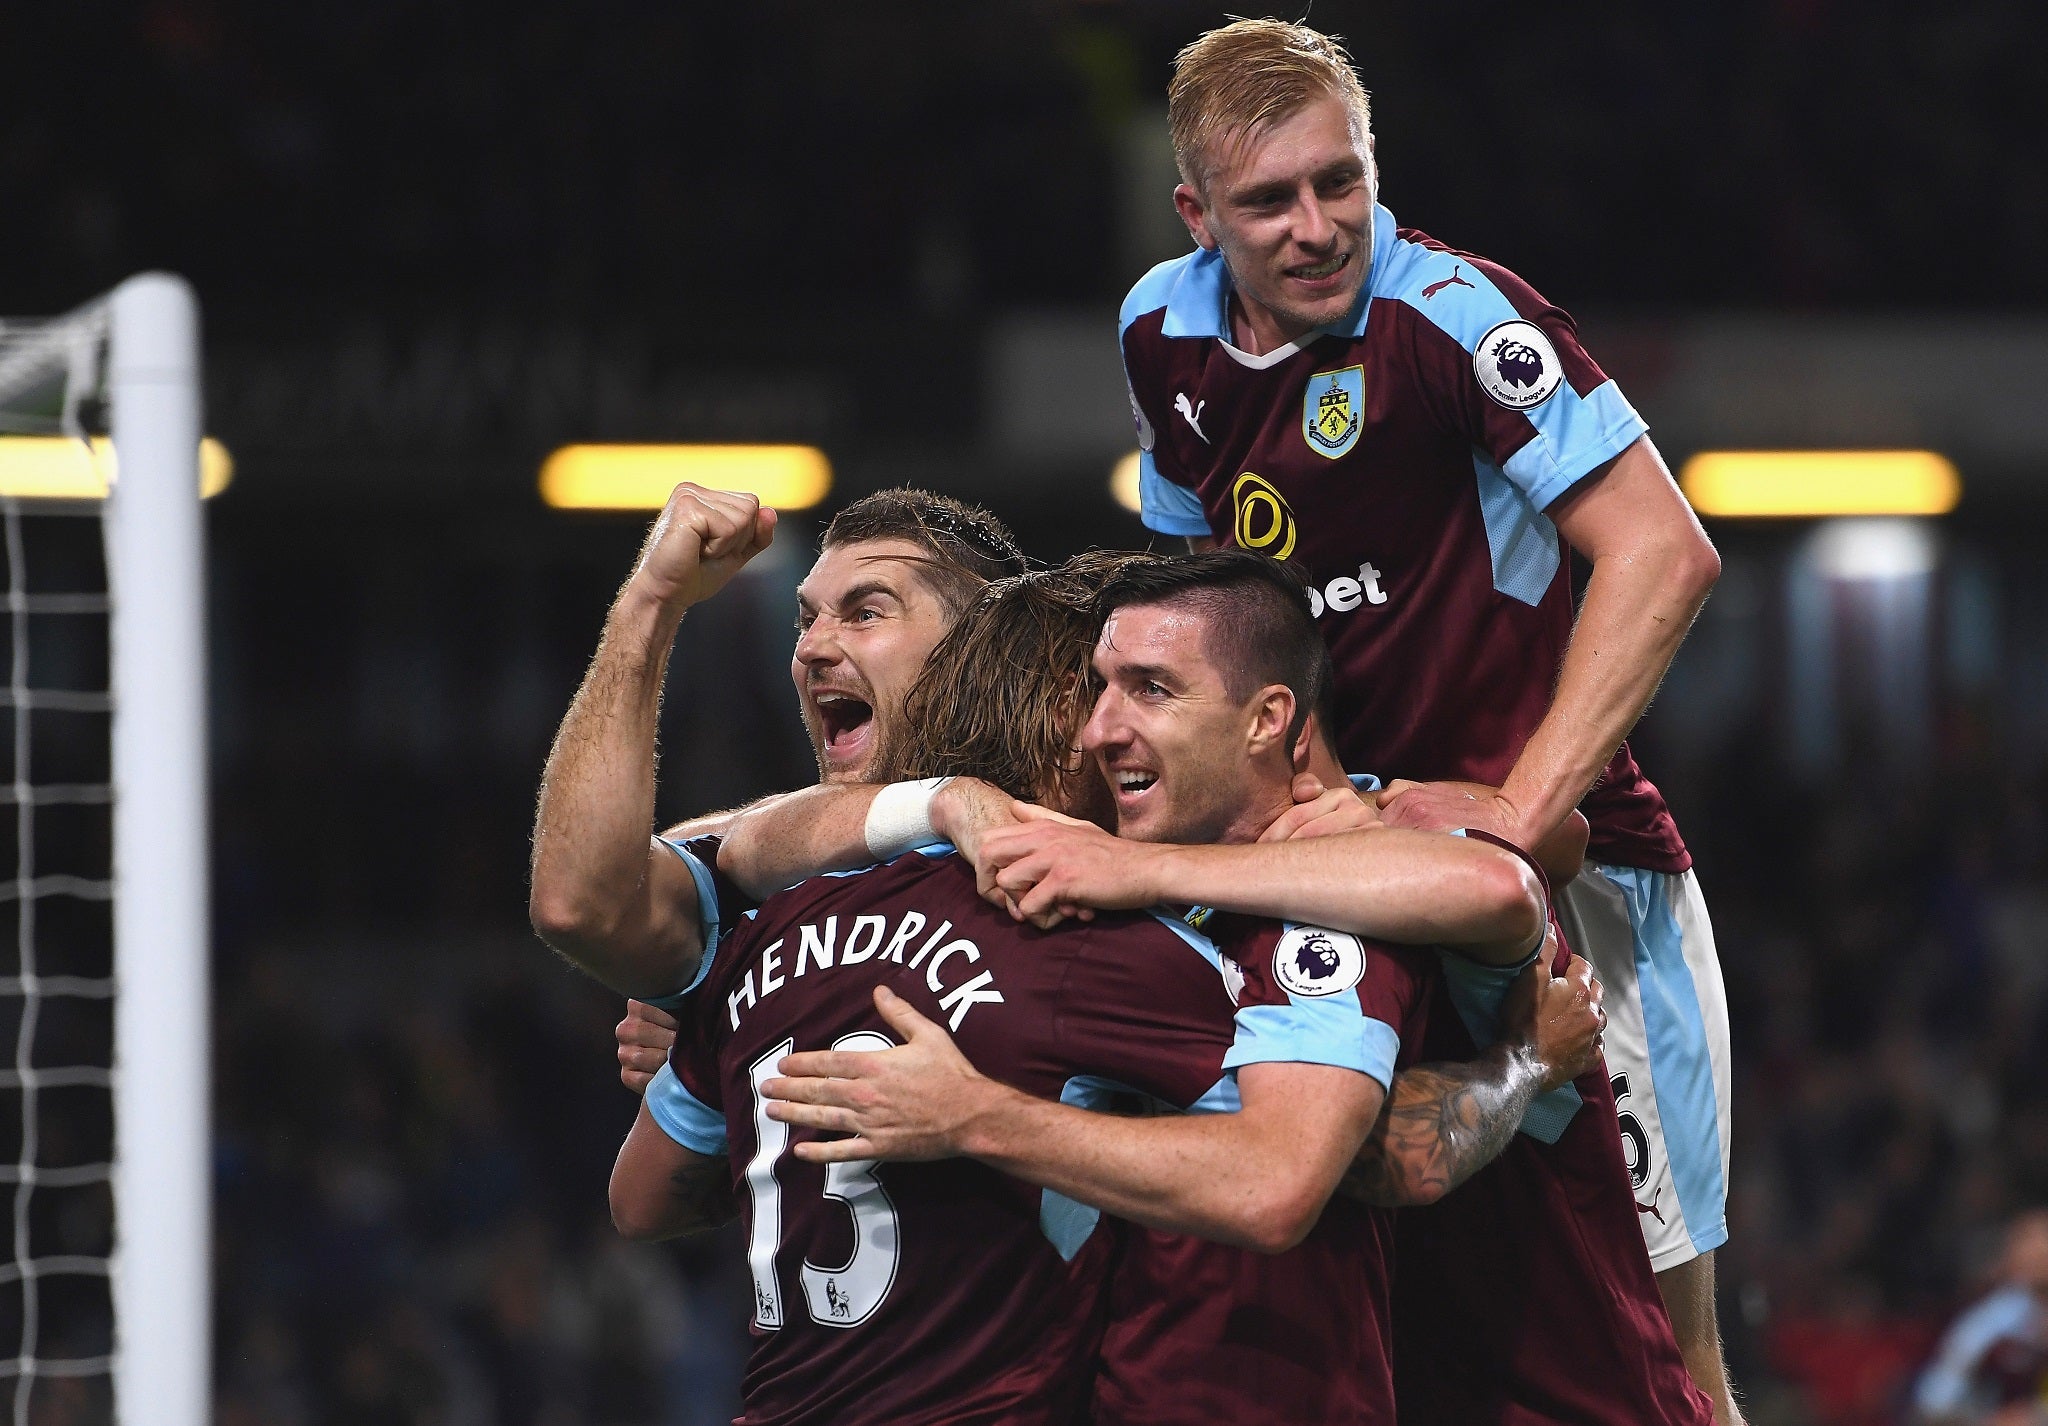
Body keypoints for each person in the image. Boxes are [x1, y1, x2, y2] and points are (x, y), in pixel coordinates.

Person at [1115, 18, 1738, 1419]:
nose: (1323, 226)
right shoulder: (1159, 331)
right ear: (1196, 214)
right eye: (1272, 200)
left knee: (1667, 1360)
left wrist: (1511, 827)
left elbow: (1663, 550)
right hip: (1335, 878)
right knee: (1418, 1346)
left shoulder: (1457, 316)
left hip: (1575, 898)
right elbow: (1189, 614)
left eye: (1344, 181)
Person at [609, 554, 1604, 1424]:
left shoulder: (1332, 882)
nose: (1103, 730)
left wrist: (751, 1047)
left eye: (1147, 691)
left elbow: (1496, 895)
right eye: (1095, 692)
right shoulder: (1078, 932)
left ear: (1267, 721)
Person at [528, 482, 1026, 1001]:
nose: (810, 647)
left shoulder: (1076, 855)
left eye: (865, 614)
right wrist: (650, 601)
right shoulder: (756, 893)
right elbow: (579, 904)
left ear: (977, 648)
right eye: (806, 621)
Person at [1913, 1211, 2048, 1425]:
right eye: (2023, 1242)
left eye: (2040, 1243)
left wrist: (2035, 1416)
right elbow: (1937, 1397)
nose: (2031, 1253)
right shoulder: (1997, 1316)